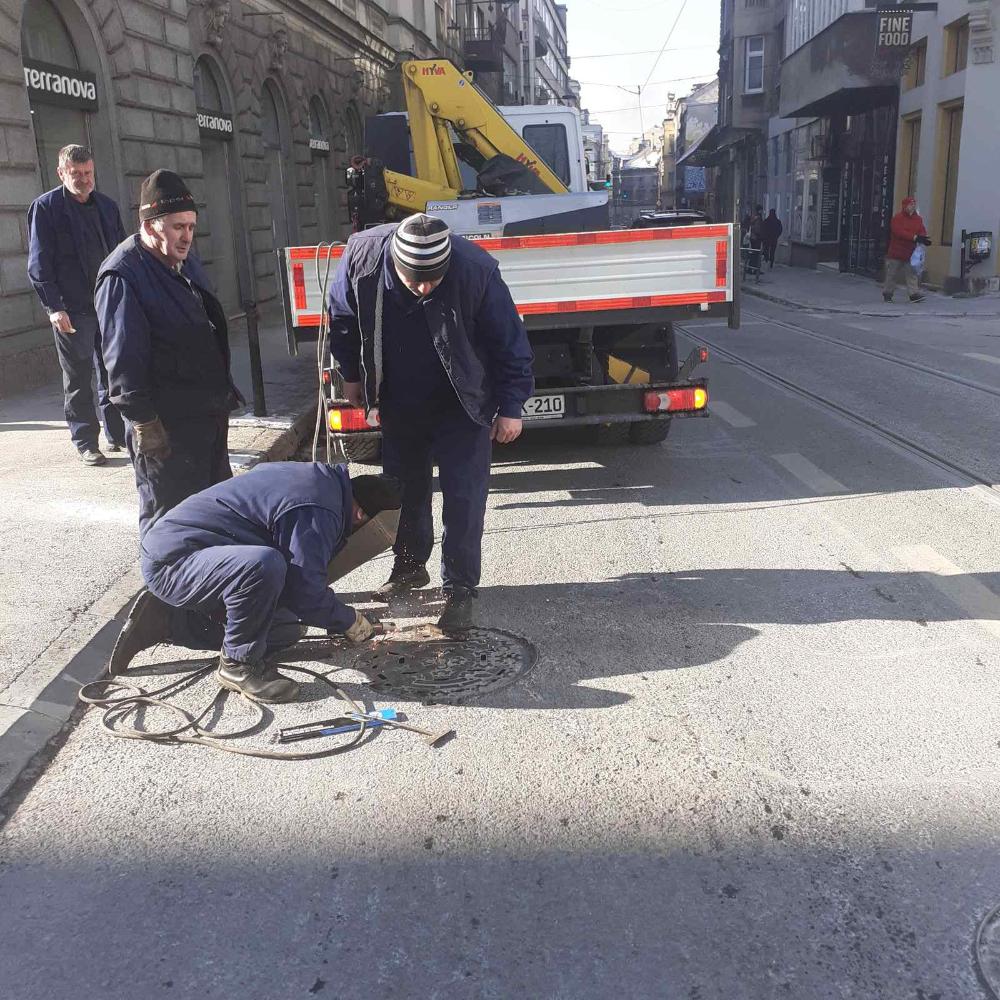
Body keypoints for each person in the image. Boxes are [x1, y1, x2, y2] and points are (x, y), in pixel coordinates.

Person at [328, 213, 534, 632]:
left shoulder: (475, 270)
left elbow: (508, 340)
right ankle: (408, 567)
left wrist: (511, 406)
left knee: (464, 495)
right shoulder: (363, 258)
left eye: (433, 282)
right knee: (403, 489)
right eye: (414, 281)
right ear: (396, 264)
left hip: (464, 401)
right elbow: (343, 321)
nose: (424, 289)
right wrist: (352, 375)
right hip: (401, 397)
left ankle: (460, 588)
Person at [110, 463, 400, 703]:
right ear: (361, 514)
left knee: (286, 629)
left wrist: (338, 617)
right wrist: (350, 621)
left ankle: (171, 622)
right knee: (264, 565)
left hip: (207, 557)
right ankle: (237, 665)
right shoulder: (318, 510)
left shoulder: (325, 487)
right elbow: (305, 590)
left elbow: (298, 585)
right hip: (174, 562)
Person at [96, 169, 242, 534]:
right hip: (166, 428)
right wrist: (144, 422)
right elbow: (122, 359)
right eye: (178, 227)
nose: (187, 236)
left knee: (212, 516)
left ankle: (207, 586)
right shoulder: (122, 274)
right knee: (169, 523)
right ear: (151, 223)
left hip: (205, 415)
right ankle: (164, 589)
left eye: (191, 227)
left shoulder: (181, 257)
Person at [27, 144, 127, 466]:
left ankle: (116, 434)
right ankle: (86, 442)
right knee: (78, 379)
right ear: (61, 173)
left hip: (107, 306)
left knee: (113, 373)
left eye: (88, 173)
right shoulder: (46, 208)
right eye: (76, 174)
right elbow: (39, 264)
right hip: (71, 311)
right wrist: (53, 307)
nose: (84, 179)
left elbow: (123, 255)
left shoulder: (108, 207)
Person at [884, 196, 930, 303]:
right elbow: (898, 232)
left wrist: (923, 238)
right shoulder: (897, 218)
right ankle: (888, 293)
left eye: (914, 204)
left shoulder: (918, 219)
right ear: (905, 206)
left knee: (912, 274)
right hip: (897, 252)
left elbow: (921, 230)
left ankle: (913, 294)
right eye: (910, 204)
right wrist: (914, 237)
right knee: (892, 274)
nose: (912, 207)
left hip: (910, 252)